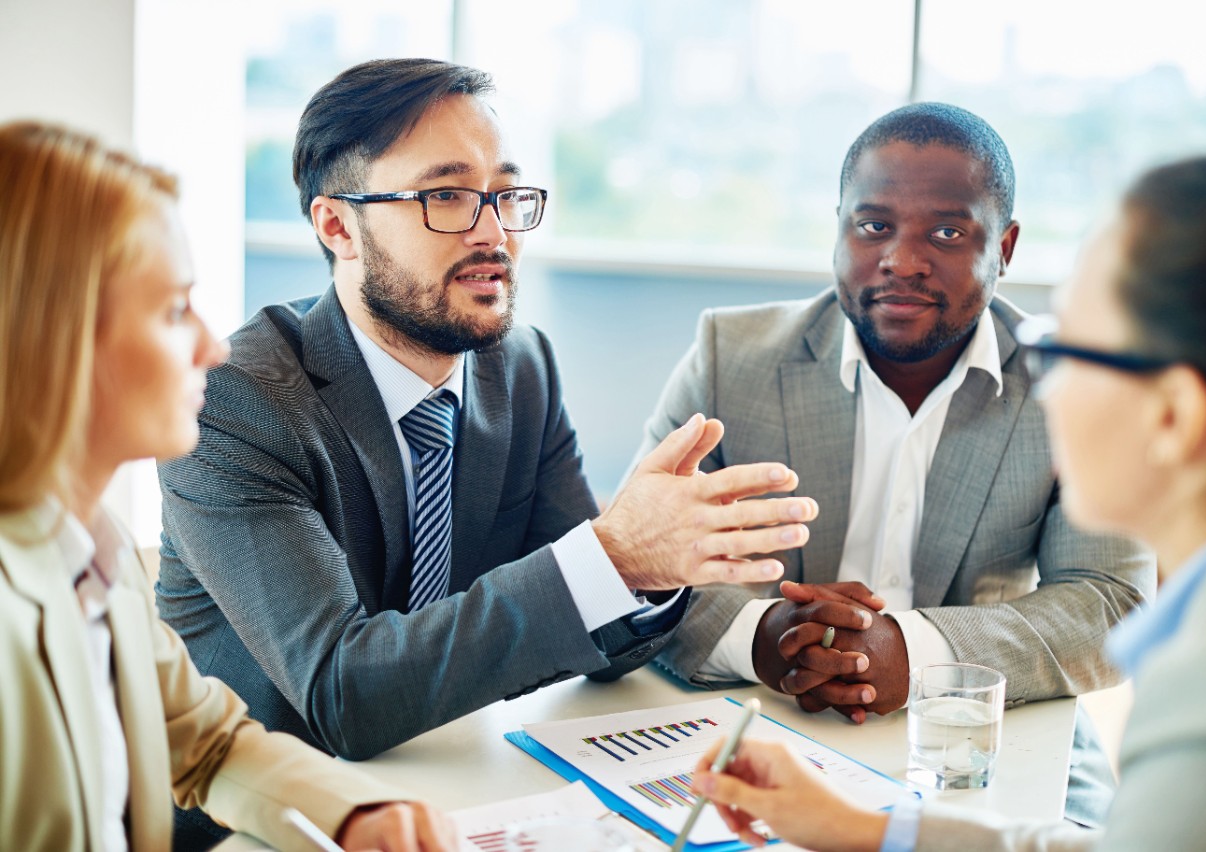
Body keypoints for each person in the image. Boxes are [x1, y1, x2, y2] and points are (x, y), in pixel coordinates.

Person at [155, 58, 817, 846]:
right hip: (268, 824)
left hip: (463, 789)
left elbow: (592, 636)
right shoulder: (237, 400)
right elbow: (343, 694)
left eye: (504, 194)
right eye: (446, 197)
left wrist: (656, 568)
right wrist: (611, 556)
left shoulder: (519, 367)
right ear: (338, 228)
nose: (493, 232)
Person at [690, 152, 1206, 850]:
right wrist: (863, 831)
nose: (1045, 384)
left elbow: (1108, 601)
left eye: (1066, 348)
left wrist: (911, 651)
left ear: (1176, 415)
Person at [631, 103, 1154, 823]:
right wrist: (763, 639)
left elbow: (1110, 603)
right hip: (763, 727)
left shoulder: (1075, 387)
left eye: (947, 231)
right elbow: (639, 566)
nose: (902, 260)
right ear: (839, 228)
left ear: (1004, 246)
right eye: (873, 226)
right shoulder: (730, 358)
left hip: (993, 750)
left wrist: (910, 653)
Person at [0, 121, 457, 851]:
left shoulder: (89, 553)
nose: (213, 348)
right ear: (54, 332)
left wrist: (354, 813)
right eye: (174, 310)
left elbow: (204, 744)